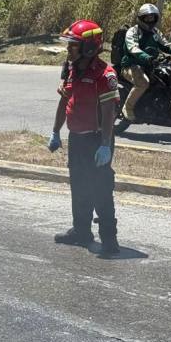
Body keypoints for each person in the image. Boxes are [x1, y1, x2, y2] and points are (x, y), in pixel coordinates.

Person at [48, 19, 121, 258]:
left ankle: (110, 240)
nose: (68, 51)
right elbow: (64, 100)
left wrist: (104, 146)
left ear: (89, 48)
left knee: (100, 189)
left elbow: (109, 112)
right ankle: (81, 232)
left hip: (97, 140)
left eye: (73, 46)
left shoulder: (105, 74)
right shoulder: (71, 69)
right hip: (77, 139)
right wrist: (56, 131)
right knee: (79, 186)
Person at [120, 3, 171, 121]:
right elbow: (133, 48)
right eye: (147, 17)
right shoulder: (133, 31)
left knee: (169, 78)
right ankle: (127, 108)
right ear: (141, 18)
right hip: (131, 65)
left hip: (151, 65)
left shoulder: (155, 32)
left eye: (152, 17)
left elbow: (166, 45)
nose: (150, 20)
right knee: (143, 83)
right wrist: (146, 57)